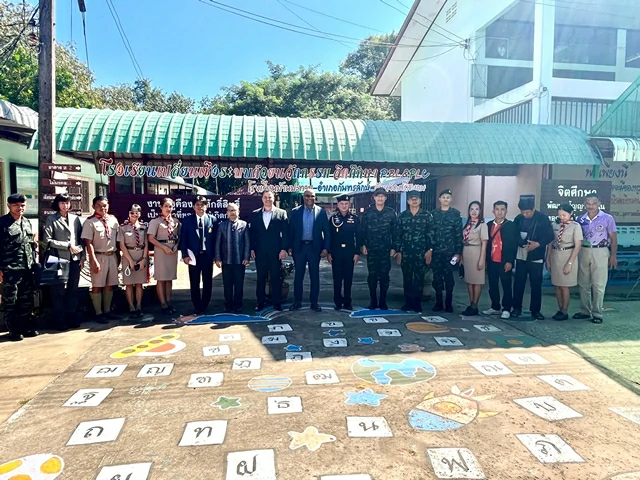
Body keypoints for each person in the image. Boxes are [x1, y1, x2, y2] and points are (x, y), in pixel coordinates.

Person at [574, 193, 618, 324]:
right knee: (583, 283)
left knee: (599, 284)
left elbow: (613, 238)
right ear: (584, 205)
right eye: (588, 203)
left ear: (598, 204)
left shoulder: (607, 218)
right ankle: (585, 311)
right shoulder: (580, 219)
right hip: (584, 251)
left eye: (593, 203)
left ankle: (597, 313)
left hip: (601, 251)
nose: (591, 206)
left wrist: (613, 256)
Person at [43, 193, 84, 330]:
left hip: (75, 259)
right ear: (57, 204)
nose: (65, 205)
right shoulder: (52, 219)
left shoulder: (75, 219)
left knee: (73, 289)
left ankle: (71, 317)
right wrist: (67, 245)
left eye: (67, 203)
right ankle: (59, 321)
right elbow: (47, 240)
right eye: (62, 203)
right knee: (58, 291)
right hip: (58, 259)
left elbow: (80, 239)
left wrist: (82, 257)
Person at [0, 193, 37, 341]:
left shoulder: (27, 222)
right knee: (10, 301)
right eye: (16, 205)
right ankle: (13, 330)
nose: (19, 208)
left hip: (26, 268)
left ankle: (26, 327)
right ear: (9, 206)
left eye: (22, 205)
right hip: (9, 269)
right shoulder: (2, 223)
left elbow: (30, 245)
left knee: (26, 299)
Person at [511, 195, 554, 320]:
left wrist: (538, 244)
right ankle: (516, 308)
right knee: (519, 282)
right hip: (521, 254)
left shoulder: (543, 219)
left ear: (533, 209)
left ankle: (535, 310)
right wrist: (520, 242)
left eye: (527, 212)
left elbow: (550, 236)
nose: (525, 214)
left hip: (536, 255)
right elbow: (514, 234)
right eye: (523, 212)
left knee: (536, 284)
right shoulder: (518, 219)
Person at [288, 188, 330, 312]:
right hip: (299, 248)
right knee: (298, 276)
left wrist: (326, 248)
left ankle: (314, 302)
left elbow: (327, 232)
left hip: (314, 248)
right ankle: (297, 302)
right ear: (303, 197)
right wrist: (289, 247)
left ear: (315, 197)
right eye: (307, 196)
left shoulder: (321, 212)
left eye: (312, 196)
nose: (310, 198)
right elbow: (291, 231)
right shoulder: (295, 212)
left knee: (314, 276)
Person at [82, 195, 121, 324]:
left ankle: (107, 311)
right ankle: (98, 313)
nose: (102, 208)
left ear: (108, 206)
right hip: (99, 256)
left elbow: (117, 240)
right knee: (97, 285)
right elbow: (88, 243)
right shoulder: (90, 222)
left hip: (112, 255)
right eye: (98, 205)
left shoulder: (113, 220)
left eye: (104, 205)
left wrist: (118, 257)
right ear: (93, 206)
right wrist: (93, 260)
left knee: (110, 285)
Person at [395, 190, 434, 312]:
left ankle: (417, 303)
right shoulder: (402, 216)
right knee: (407, 279)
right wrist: (398, 251)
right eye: (412, 199)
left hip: (421, 253)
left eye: (416, 199)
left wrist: (430, 250)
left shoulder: (427, 215)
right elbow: (398, 235)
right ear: (408, 201)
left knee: (419, 279)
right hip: (406, 253)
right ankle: (408, 302)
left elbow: (431, 234)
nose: (414, 201)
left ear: (420, 201)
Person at [249, 191, 289, 312]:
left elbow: (285, 233)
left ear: (273, 198)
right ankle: (260, 302)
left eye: (270, 197)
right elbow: (252, 234)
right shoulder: (255, 214)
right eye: (265, 197)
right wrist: (252, 249)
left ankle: (277, 303)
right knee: (261, 278)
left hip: (275, 252)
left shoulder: (281, 213)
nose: (267, 199)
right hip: (260, 251)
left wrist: (283, 249)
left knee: (276, 277)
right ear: (262, 199)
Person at [179, 196, 218, 315]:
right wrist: (185, 255)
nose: (200, 207)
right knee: (194, 281)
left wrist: (216, 256)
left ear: (207, 206)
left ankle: (205, 305)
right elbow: (183, 239)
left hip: (207, 256)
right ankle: (196, 305)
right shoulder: (187, 220)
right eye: (197, 204)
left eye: (202, 204)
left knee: (207, 281)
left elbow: (216, 240)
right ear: (193, 206)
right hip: (193, 257)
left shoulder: (213, 220)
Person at [361, 188, 397, 310]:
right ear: (374, 198)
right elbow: (363, 230)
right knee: (372, 276)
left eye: (382, 196)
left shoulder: (391, 213)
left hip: (385, 250)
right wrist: (363, 245)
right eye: (378, 196)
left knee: (384, 276)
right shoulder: (368, 212)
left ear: (385, 198)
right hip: (372, 249)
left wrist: (394, 247)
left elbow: (395, 232)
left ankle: (382, 301)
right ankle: (373, 301)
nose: (380, 198)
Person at [547, 204, 582, 321]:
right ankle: (560, 308)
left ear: (571, 213)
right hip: (555, 256)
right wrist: (548, 259)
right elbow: (550, 243)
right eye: (560, 215)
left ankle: (565, 311)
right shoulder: (555, 225)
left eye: (564, 215)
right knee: (557, 285)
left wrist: (569, 263)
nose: (561, 217)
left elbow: (577, 246)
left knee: (564, 286)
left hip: (568, 256)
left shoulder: (575, 226)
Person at [483, 201, 518, 319]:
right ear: (493, 211)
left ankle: (506, 308)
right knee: (492, 284)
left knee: (506, 285)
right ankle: (495, 306)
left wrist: (510, 261)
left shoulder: (510, 226)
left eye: (502, 209)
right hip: (491, 260)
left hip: (504, 261)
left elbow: (512, 245)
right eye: (497, 209)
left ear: (506, 211)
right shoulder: (488, 225)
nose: (499, 212)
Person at [431, 189, 463, 312]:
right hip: (436, 252)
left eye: (448, 197)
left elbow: (458, 234)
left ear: (451, 199)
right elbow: (431, 233)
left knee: (449, 278)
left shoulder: (455, 214)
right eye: (443, 197)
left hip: (450, 252)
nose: (445, 199)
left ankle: (448, 303)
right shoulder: (434, 214)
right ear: (439, 199)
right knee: (437, 278)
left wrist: (458, 252)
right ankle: (438, 302)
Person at [328, 194, 362, 311]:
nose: (344, 206)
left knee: (348, 279)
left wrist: (357, 253)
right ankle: (337, 302)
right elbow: (329, 237)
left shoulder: (355, 219)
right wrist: (329, 252)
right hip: (336, 252)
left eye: (346, 204)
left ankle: (347, 301)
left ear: (349, 205)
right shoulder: (333, 219)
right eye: (341, 204)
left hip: (349, 252)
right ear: (338, 205)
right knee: (337, 279)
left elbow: (358, 237)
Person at [147, 198, 181, 315]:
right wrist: (164, 247)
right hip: (161, 250)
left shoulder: (175, 221)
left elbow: (180, 236)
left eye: (170, 206)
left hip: (172, 251)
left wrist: (177, 245)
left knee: (169, 278)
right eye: (166, 206)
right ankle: (163, 304)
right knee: (161, 278)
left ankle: (168, 301)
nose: (168, 209)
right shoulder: (156, 221)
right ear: (161, 207)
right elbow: (151, 238)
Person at [215, 202, 250, 313]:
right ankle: (228, 304)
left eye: (234, 210)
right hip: (226, 261)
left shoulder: (244, 225)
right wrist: (218, 258)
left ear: (238, 212)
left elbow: (247, 242)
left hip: (240, 261)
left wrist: (246, 257)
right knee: (227, 285)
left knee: (239, 284)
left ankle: (238, 304)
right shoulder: (222, 225)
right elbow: (218, 243)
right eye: (230, 210)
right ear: (226, 213)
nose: (232, 212)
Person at [118, 204, 149, 320]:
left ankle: (139, 306)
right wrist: (130, 261)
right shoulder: (123, 227)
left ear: (140, 214)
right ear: (128, 213)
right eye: (132, 212)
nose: (134, 215)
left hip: (140, 255)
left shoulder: (144, 227)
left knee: (139, 283)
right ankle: (131, 307)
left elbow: (146, 244)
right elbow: (122, 245)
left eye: (137, 212)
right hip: (128, 256)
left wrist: (144, 259)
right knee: (129, 284)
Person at [461, 201, 488, 316]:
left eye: (477, 209)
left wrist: (482, 259)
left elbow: (484, 243)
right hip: (467, 252)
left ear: (480, 211)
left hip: (477, 252)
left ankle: (475, 305)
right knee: (469, 280)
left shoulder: (482, 225)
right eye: (472, 209)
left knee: (477, 281)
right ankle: (471, 303)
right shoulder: (468, 224)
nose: (474, 211)